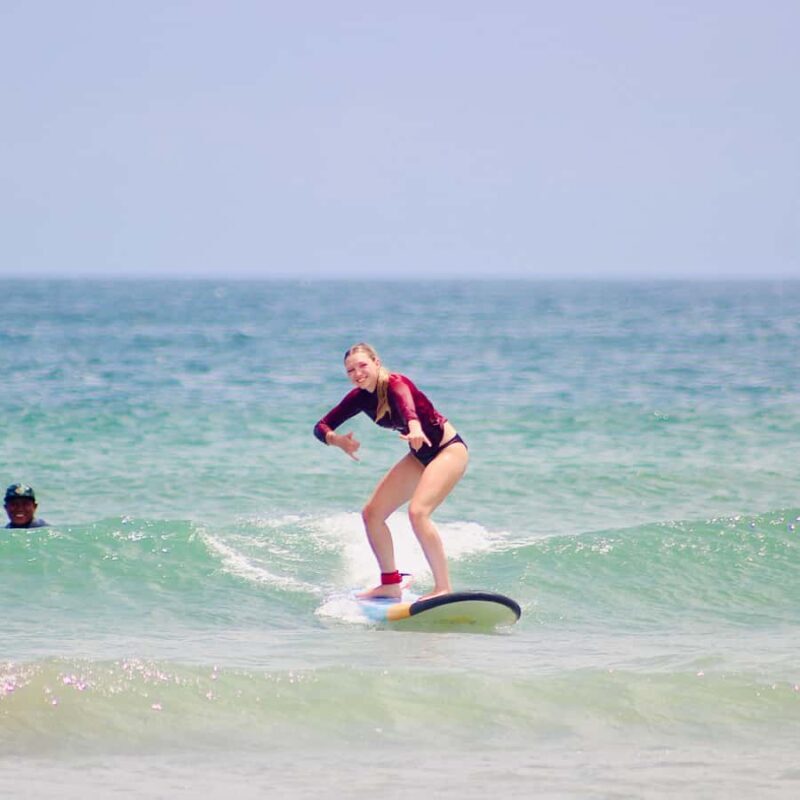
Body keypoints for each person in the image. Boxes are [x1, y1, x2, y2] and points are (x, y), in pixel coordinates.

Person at [313, 343, 468, 600]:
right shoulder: (360, 398)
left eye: (362, 365)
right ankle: (390, 583)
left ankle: (443, 588)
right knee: (372, 514)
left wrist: (414, 426)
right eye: (350, 370)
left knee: (418, 513)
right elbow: (320, 426)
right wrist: (336, 440)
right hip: (419, 456)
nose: (357, 373)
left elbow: (406, 404)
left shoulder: (395, 382)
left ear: (376, 362)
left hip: (448, 450)